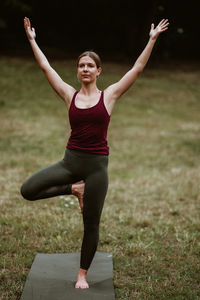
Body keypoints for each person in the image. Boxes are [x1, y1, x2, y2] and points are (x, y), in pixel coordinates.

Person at [21, 17, 169, 289]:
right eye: (81, 65)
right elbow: (46, 67)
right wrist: (32, 40)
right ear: (77, 71)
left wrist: (151, 39)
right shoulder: (69, 95)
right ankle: (74, 189)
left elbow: (137, 69)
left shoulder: (109, 96)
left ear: (99, 71)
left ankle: (82, 274)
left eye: (90, 65)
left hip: (96, 168)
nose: (85, 69)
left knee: (91, 223)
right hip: (70, 163)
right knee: (27, 190)